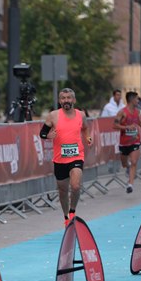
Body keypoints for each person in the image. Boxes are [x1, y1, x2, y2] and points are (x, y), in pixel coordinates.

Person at [39, 88, 92, 227]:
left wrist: (88, 137)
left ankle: (73, 211)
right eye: (63, 98)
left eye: (69, 98)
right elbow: (42, 133)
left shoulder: (81, 115)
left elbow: (85, 128)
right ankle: (66, 216)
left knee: (75, 185)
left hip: (77, 156)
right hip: (60, 159)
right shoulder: (53, 115)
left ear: (74, 100)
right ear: (59, 100)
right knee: (62, 190)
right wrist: (48, 135)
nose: (66, 100)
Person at [113, 91, 141, 194]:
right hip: (124, 142)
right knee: (124, 164)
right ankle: (127, 167)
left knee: (134, 161)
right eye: (137, 99)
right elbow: (114, 125)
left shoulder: (137, 112)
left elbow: (138, 121)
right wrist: (126, 127)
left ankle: (130, 184)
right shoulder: (122, 112)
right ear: (131, 99)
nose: (138, 101)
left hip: (135, 140)